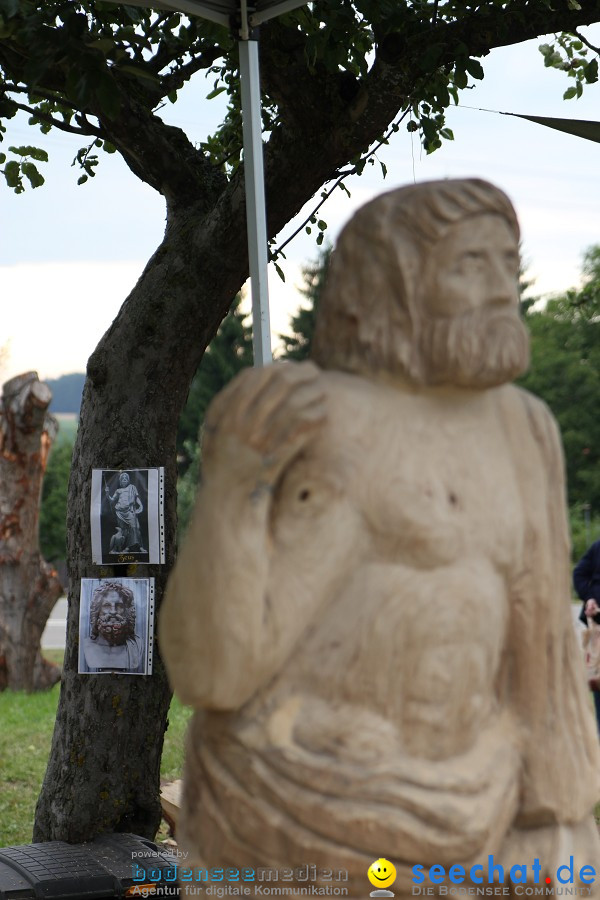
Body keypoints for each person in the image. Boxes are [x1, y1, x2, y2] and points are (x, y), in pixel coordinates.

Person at [160, 180, 600, 897]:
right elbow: (218, 672)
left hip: (478, 805)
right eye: (468, 266)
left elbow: (543, 655)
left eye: (506, 262)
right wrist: (237, 487)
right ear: (393, 286)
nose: (500, 288)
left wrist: (561, 811)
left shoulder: (525, 429)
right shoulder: (329, 422)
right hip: (305, 811)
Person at [82, 581, 144, 672]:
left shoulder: (137, 645)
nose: (113, 612)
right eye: (106, 605)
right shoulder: (86, 645)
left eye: (119, 606)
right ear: (97, 611)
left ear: (126, 611)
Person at [105, 471, 147, 553]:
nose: (124, 479)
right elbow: (112, 500)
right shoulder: (118, 491)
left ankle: (139, 547)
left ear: (128, 480)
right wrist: (107, 493)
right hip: (120, 512)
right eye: (122, 478)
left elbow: (136, 498)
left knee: (136, 527)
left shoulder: (132, 488)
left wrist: (140, 505)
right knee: (124, 530)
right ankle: (126, 548)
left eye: (126, 478)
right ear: (120, 481)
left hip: (130, 511)